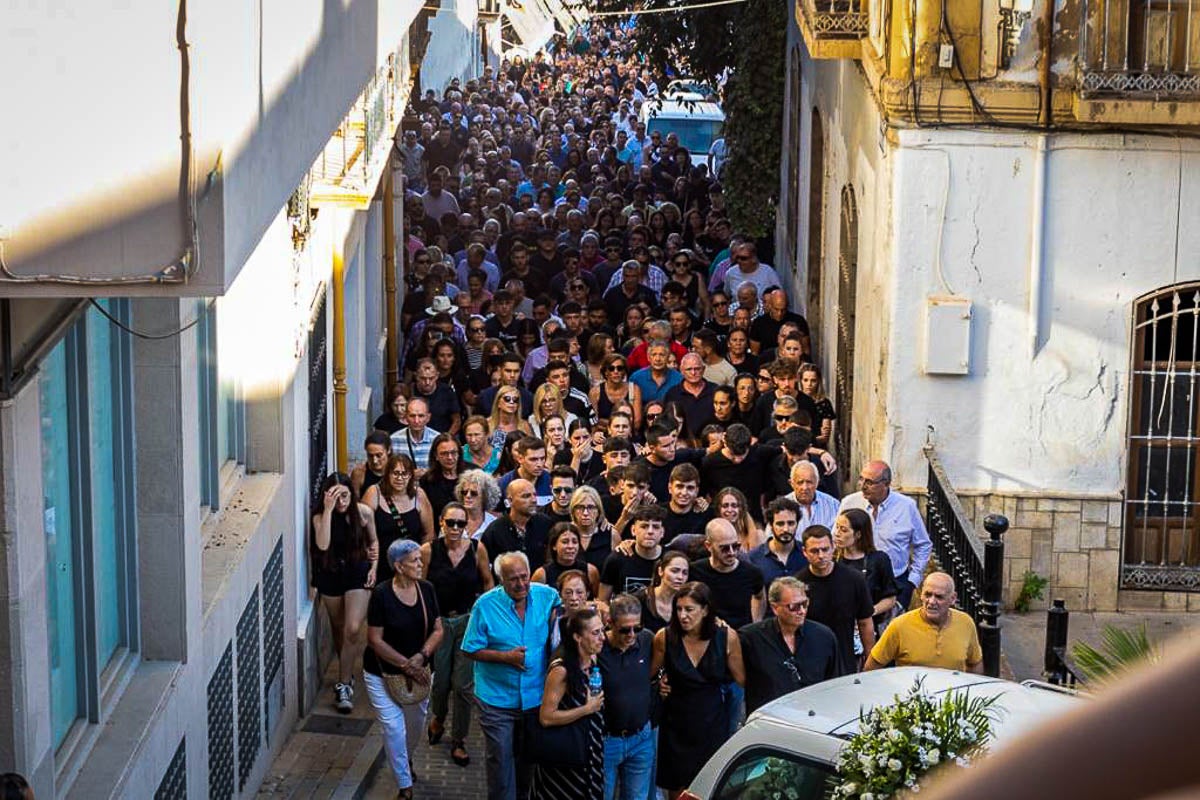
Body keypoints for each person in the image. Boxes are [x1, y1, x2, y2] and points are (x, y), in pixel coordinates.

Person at [463, 552, 562, 800]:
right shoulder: (485, 606)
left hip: (534, 698)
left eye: (524, 577)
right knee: (501, 759)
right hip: (496, 699)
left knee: (527, 758)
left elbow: (565, 611)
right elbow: (470, 648)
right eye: (513, 580)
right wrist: (504, 657)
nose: (521, 585)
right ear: (501, 580)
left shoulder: (546, 595)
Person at [363, 539, 444, 800]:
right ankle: (404, 785)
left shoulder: (427, 590)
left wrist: (421, 656)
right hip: (381, 673)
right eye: (414, 561)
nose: (420, 565)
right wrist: (405, 665)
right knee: (394, 728)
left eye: (420, 559)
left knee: (415, 724)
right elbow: (375, 639)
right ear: (398, 566)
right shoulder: (382, 594)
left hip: (420, 673)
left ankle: (405, 760)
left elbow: (438, 629)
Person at [651, 582, 744, 798]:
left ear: (705, 610)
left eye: (689, 609)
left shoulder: (726, 637)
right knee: (676, 788)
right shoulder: (664, 637)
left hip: (712, 721)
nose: (683, 615)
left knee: (709, 786)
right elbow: (649, 674)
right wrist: (660, 681)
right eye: (679, 609)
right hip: (676, 723)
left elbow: (742, 679)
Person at [420, 503, 494, 768]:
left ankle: (459, 739)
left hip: (467, 621)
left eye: (460, 524)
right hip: (440, 623)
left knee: (463, 685)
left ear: (467, 526)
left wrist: (484, 614)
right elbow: (420, 588)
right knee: (440, 681)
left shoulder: (476, 549)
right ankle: (438, 716)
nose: (454, 528)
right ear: (441, 522)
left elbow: (487, 581)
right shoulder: (429, 551)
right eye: (450, 522)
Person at [312, 473, 379, 713]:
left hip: (357, 571)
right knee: (339, 630)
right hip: (330, 574)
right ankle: (346, 673)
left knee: (352, 629)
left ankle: (343, 685)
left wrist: (373, 567)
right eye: (336, 496)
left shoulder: (363, 513)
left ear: (352, 494)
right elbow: (322, 544)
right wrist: (329, 510)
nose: (342, 501)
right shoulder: (320, 517)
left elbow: (373, 542)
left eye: (345, 495)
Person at [530, 607, 607, 800]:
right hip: (565, 754)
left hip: (590, 748)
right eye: (595, 633)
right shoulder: (561, 670)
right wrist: (586, 709)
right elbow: (546, 717)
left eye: (602, 630)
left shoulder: (593, 657)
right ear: (578, 637)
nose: (603, 637)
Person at [738, 576, 839, 715]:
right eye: (794, 606)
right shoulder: (750, 638)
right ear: (775, 607)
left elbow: (835, 683)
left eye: (805, 604)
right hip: (769, 722)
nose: (802, 611)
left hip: (815, 719)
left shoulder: (824, 637)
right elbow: (739, 678)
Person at [840, 460, 932, 611]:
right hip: (856, 582)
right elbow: (835, 538)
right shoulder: (850, 503)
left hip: (896, 583)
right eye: (861, 479)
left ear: (886, 484)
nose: (862, 486)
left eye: (870, 482)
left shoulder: (906, 506)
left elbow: (923, 544)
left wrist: (912, 580)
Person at [597, 594, 658, 800]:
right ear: (610, 623)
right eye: (625, 629)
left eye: (637, 628)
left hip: (641, 737)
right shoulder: (597, 648)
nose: (632, 634)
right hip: (606, 740)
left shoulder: (647, 639)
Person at [793, 525, 876, 675]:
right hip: (810, 662)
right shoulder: (797, 584)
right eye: (814, 551)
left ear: (833, 548)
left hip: (844, 659)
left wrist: (870, 659)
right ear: (804, 552)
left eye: (825, 549)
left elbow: (865, 622)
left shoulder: (854, 579)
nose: (821, 555)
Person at [865, 572, 984, 673]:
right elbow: (872, 666)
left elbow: (975, 663)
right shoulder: (900, 625)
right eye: (928, 594)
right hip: (912, 698)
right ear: (921, 594)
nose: (931, 601)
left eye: (939, 597)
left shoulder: (965, 623)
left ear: (952, 598)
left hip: (950, 698)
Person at [363, 454, 435, 584]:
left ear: (411, 476)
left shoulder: (419, 495)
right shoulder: (374, 493)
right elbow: (362, 527)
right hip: (381, 563)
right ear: (387, 474)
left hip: (410, 565)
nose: (400, 478)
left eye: (404, 474)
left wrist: (420, 561)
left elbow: (428, 533)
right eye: (395, 473)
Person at [688, 518, 765, 631]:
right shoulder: (695, 571)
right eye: (724, 548)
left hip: (741, 637)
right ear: (708, 546)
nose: (732, 552)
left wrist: (756, 624)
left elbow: (759, 596)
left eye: (735, 546)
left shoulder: (752, 573)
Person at [833, 508, 898, 631]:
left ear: (858, 534)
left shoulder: (879, 560)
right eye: (837, 527)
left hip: (870, 626)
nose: (837, 533)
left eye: (844, 530)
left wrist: (869, 612)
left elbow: (890, 598)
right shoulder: (833, 559)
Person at [481, 479, 553, 572]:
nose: (534, 500)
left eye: (534, 495)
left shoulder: (545, 523)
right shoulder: (495, 531)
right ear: (510, 501)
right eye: (526, 496)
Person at [599, 504, 665, 599]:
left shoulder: (669, 560)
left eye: (656, 527)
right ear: (633, 530)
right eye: (644, 526)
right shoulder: (616, 560)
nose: (650, 531)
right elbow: (602, 601)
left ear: (662, 532)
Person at [746, 496, 807, 585]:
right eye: (780, 524)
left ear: (797, 524)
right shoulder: (754, 558)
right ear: (771, 525)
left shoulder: (807, 554)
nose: (786, 529)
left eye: (791, 523)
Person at [532, 522, 602, 597]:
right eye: (565, 542)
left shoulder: (591, 571)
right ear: (554, 545)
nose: (570, 546)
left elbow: (598, 601)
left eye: (575, 542)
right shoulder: (541, 574)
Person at [636, 550, 690, 633]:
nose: (680, 577)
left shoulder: (687, 602)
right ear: (661, 571)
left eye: (685, 573)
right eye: (675, 571)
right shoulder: (639, 600)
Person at [570, 485, 619, 571]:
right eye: (580, 507)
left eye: (591, 507)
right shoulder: (566, 532)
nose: (585, 513)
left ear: (598, 510)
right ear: (573, 510)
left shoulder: (611, 535)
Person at [421, 432, 466, 520]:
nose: (450, 457)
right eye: (444, 453)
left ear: (459, 453)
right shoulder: (427, 480)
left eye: (453, 452)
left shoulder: (472, 473)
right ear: (436, 456)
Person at [785, 460, 840, 530]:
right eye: (800, 482)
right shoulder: (782, 507)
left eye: (809, 482)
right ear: (791, 483)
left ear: (817, 482)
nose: (805, 487)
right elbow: (770, 537)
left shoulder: (833, 505)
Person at [391, 398, 441, 472]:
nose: (416, 421)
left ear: (428, 417)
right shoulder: (394, 439)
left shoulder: (437, 439)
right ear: (406, 417)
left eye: (421, 416)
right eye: (412, 416)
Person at [456, 469, 501, 540]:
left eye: (473, 493)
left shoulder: (494, 524)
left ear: (485, 496)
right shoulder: (452, 519)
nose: (468, 496)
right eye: (464, 492)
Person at [351, 430, 392, 499]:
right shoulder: (359, 473)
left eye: (379, 455)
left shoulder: (396, 471)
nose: (374, 461)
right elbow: (354, 502)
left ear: (388, 450)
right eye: (370, 456)